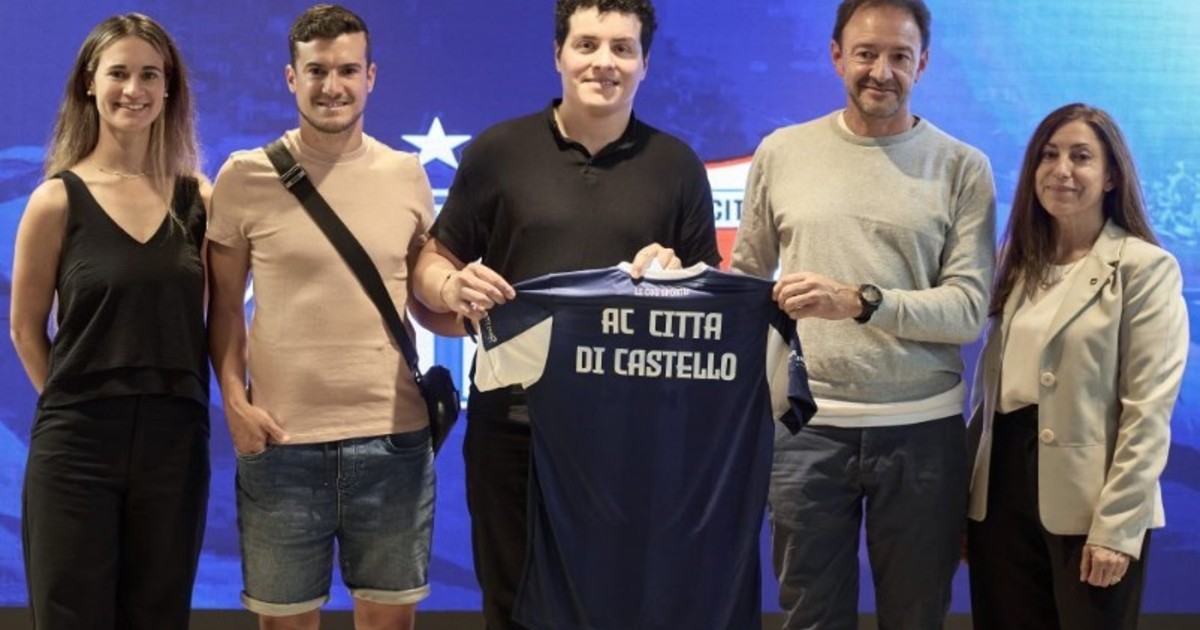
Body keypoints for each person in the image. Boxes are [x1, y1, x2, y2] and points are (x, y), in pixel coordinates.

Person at [412, 0, 721, 627]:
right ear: (558, 54)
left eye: (622, 48)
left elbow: (711, 303)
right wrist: (449, 286)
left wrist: (682, 280)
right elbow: (432, 263)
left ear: (645, 63)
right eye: (587, 44)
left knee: (624, 608)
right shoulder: (499, 151)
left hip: (632, 435)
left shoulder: (678, 166)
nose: (604, 62)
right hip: (512, 427)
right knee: (511, 605)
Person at [730, 0, 996, 628]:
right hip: (806, 428)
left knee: (916, 616)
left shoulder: (963, 167)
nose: (882, 71)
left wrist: (859, 301)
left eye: (900, 56)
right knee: (810, 617)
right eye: (866, 54)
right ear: (836, 56)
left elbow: (966, 310)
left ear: (922, 64)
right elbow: (744, 282)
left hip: (922, 432)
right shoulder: (782, 152)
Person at [206, 5, 457, 629]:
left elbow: (423, 296)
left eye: (347, 70)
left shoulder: (406, 175)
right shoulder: (244, 176)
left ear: (370, 77)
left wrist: (471, 306)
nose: (332, 86)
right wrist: (234, 402)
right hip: (282, 445)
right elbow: (224, 308)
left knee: (388, 622)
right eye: (316, 70)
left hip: (395, 441)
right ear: (291, 78)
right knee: (285, 621)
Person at [10, 13, 209, 629]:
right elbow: (25, 329)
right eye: (119, 73)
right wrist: (76, 406)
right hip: (76, 444)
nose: (134, 89)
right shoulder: (55, 200)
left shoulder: (200, 200)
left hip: (174, 442)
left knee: (158, 615)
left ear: (169, 88)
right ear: (88, 84)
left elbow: (219, 319)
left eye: (150, 74)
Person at [965, 103, 1188, 630]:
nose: (1061, 169)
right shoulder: (1016, 264)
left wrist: (1117, 528)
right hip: (1001, 491)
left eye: (1081, 157)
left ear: (1111, 176)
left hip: (1092, 500)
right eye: (1049, 155)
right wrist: (964, 503)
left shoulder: (1145, 268)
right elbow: (986, 396)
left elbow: (1147, 411)